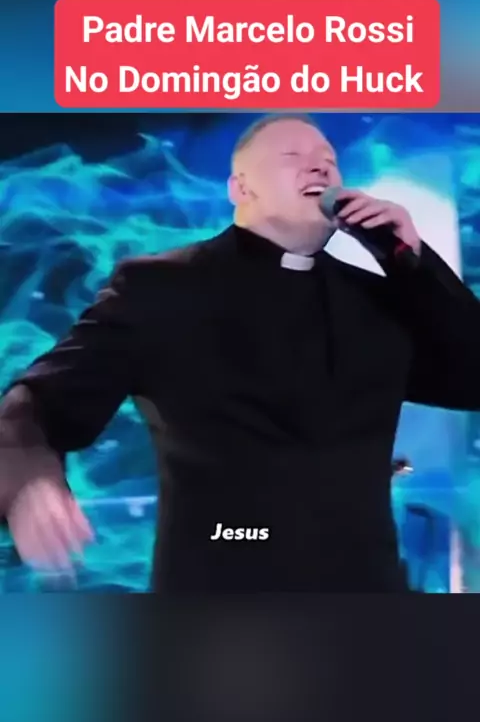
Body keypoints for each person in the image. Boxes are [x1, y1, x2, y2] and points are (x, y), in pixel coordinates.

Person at [0, 112, 479, 593]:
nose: (320, 168)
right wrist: (29, 478)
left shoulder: (376, 301)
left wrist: (412, 262)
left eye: (329, 161)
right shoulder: (163, 287)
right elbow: (37, 403)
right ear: (241, 188)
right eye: (293, 156)